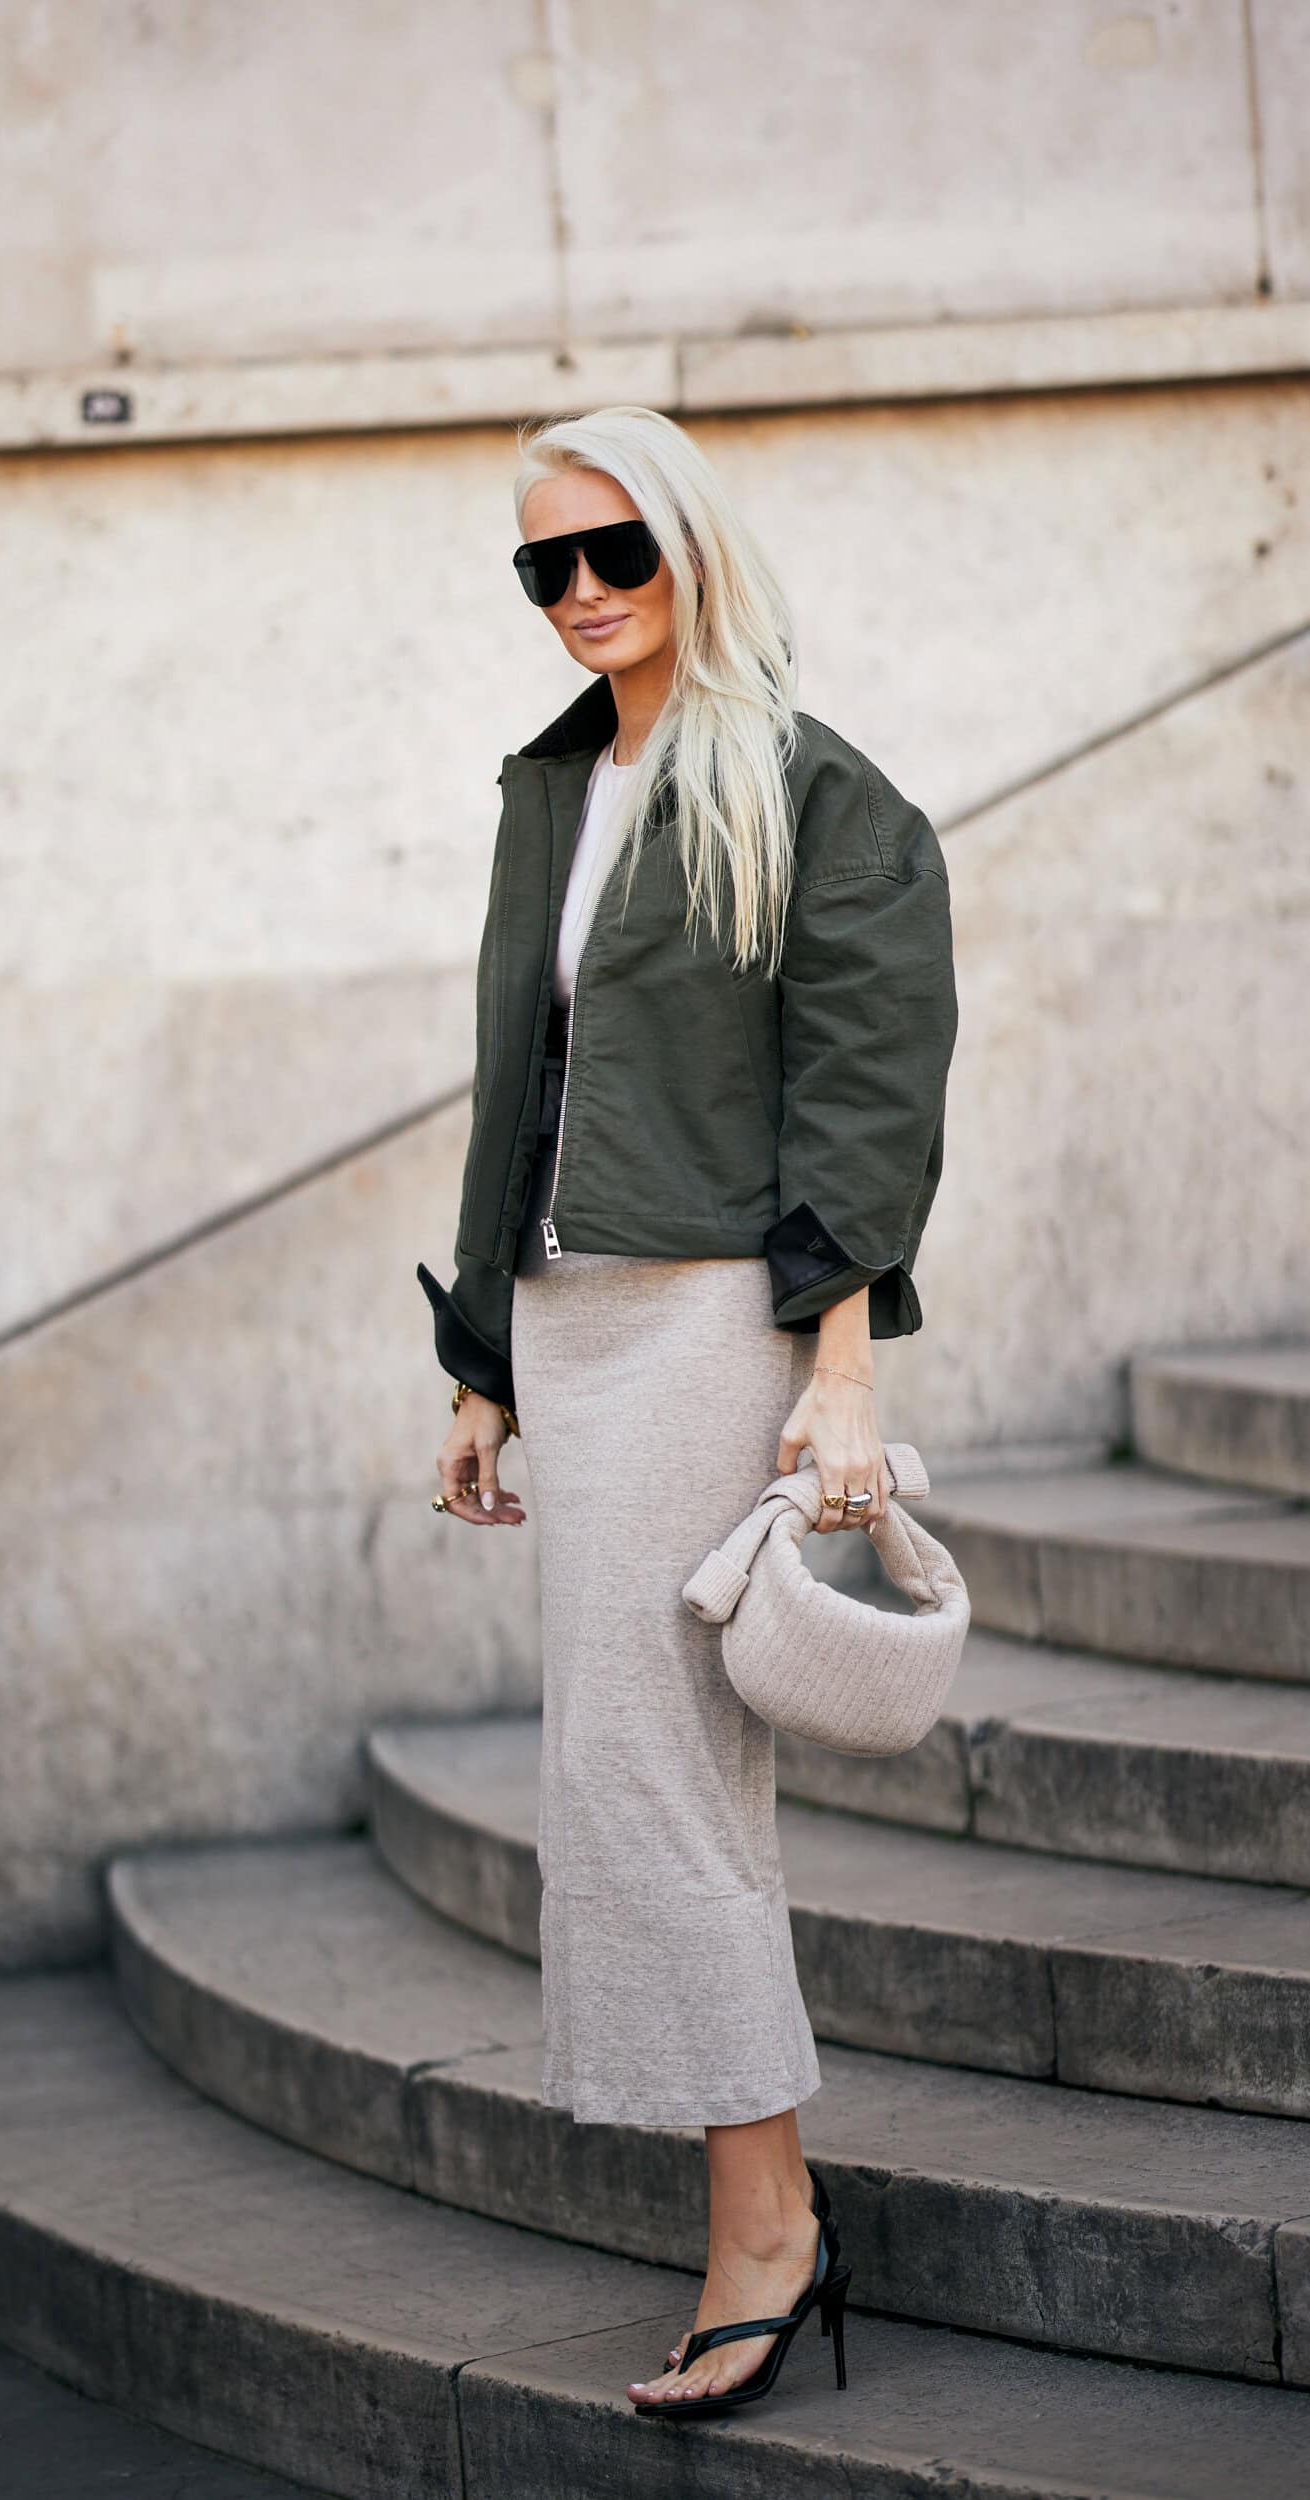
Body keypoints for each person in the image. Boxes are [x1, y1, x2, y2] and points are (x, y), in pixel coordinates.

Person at [416, 403, 957, 2417]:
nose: (579, 592)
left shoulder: (815, 793)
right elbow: (519, 1083)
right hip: (570, 1324)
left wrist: (841, 1368)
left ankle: (767, 2229)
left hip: (719, 1313)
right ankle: (767, 2200)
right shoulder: (553, 788)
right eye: (542, 565)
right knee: (617, 1763)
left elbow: (865, 1096)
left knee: (664, 1771)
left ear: (689, 547)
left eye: (612, 551)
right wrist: (483, 1356)